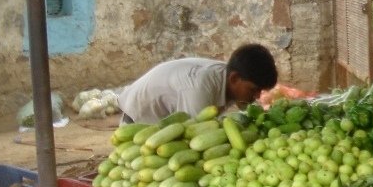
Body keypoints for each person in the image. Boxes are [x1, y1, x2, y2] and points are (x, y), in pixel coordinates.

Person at [118, 43, 278, 124]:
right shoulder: (200, 87)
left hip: (165, 122)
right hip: (139, 121)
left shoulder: (228, 79)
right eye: (254, 89)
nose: (257, 96)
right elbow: (195, 135)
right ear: (235, 79)